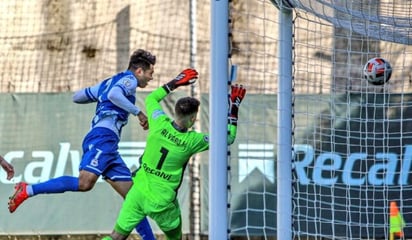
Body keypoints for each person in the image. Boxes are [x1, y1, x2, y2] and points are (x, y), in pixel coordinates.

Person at [8, 49, 157, 240]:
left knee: (134, 200)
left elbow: (78, 96)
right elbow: (114, 95)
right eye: (150, 73)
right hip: (103, 138)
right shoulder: (129, 81)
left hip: (108, 144)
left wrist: (98, 94)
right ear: (139, 71)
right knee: (84, 183)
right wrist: (139, 113)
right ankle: (27, 189)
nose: (151, 78)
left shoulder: (109, 82)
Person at [103, 69, 247, 240]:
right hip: (162, 202)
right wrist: (234, 107)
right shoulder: (192, 141)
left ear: (175, 112)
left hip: (138, 192)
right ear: (193, 119)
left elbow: (151, 98)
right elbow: (228, 138)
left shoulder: (158, 122)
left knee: (115, 237)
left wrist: (175, 82)